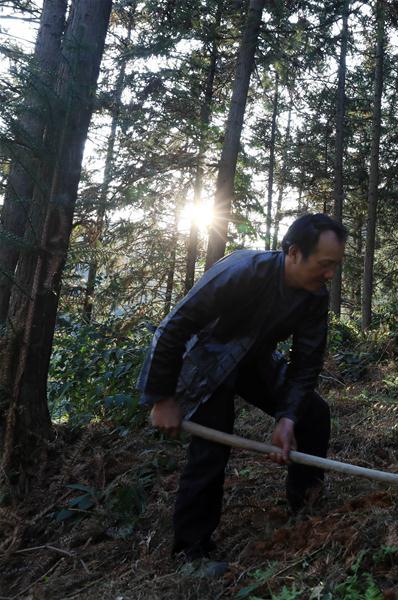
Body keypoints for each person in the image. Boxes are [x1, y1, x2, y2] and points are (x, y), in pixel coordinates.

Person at [137, 213, 347, 561]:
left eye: (334, 266)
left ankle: (305, 506)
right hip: (205, 358)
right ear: (293, 253)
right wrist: (162, 397)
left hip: (254, 359)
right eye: (325, 264)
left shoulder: (315, 297)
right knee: (212, 445)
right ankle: (192, 549)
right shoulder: (242, 270)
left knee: (313, 413)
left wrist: (287, 416)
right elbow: (175, 327)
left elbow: (306, 362)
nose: (329, 274)